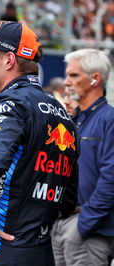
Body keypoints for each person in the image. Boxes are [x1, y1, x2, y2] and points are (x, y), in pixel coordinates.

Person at [0, 21, 79, 265]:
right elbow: (69, 196)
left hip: (2, 247)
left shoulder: (10, 101)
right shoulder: (60, 110)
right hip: (42, 250)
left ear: (9, 60)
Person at [51, 48, 114, 266]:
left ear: (95, 79)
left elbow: (111, 179)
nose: (66, 82)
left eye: (74, 75)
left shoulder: (109, 119)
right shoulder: (74, 121)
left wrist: (84, 224)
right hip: (62, 223)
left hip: (89, 230)